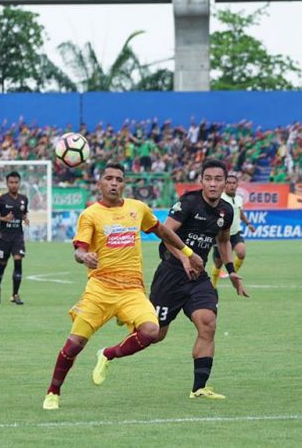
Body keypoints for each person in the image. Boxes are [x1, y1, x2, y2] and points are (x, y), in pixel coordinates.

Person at [42, 163, 204, 410]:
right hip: (100, 289)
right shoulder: (91, 214)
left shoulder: (137, 208)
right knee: (74, 344)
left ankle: (108, 354)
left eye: (119, 179)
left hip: (132, 290)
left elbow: (162, 231)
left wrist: (187, 253)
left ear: (124, 184)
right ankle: (53, 392)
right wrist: (84, 257)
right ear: (100, 184)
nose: (114, 183)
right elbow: (79, 250)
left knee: (151, 332)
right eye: (109, 178)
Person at [150, 159, 249, 400]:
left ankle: (199, 388)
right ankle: (116, 340)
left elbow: (223, 241)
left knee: (208, 323)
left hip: (197, 276)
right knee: (155, 334)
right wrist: (185, 258)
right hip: (171, 274)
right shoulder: (187, 203)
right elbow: (165, 234)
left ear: (225, 183)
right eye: (209, 179)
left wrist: (230, 269)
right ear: (201, 181)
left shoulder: (226, 211)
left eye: (218, 180)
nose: (213, 184)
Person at [0, 171, 29, 305]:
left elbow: (23, 212)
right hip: (4, 238)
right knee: (2, 264)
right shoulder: (2, 199)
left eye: (16, 182)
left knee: (18, 262)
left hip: (17, 237)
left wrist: (25, 218)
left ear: (19, 183)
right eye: (11, 182)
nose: (14, 185)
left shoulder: (24, 199)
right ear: (7, 184)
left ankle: (15, 294)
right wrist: (3, 218)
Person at [211, 173, 256, 287]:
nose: (231, 185)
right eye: (229, 183)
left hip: (235, 233)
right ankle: (214, 285)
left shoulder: (239, 198)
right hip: (221, 235)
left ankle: (231, 273)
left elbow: (240, 212)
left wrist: (248, 223)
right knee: (218, 263)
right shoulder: (219, 198)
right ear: (225, 185)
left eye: (233, 183)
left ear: (237, 185)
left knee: (241, 253)